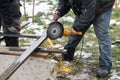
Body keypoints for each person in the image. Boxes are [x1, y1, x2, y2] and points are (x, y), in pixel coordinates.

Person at [53, 0, 115, 78]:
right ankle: (67, 54)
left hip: (102, 6)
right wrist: (59, 11)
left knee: (102, 35)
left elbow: (89, 13)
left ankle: (105, 66)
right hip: (86, 7)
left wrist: (77, 28)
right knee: (76, 32)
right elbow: (64, 1)